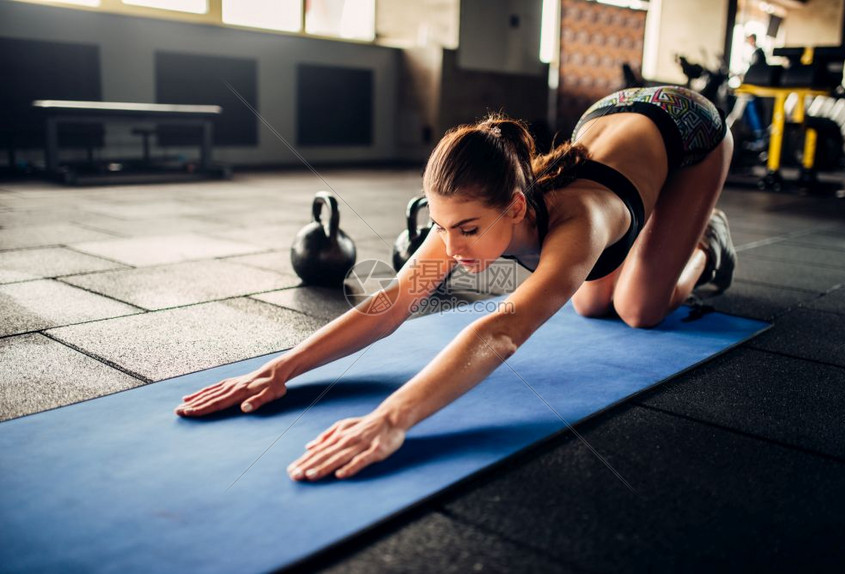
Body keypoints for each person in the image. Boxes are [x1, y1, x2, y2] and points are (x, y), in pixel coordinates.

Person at [175, 85, 736, 482]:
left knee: (639, 308)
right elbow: (392, 303)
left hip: (689, 130)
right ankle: (650, 234)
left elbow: (504, 329)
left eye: (467, 230)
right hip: (612, 116)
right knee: (590, 305)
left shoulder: (580, 222)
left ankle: (703, 245)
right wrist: (283, 368)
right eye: (443, 227)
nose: (452, 245)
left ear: (516, 206)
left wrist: (392, 418)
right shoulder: (470, 211)